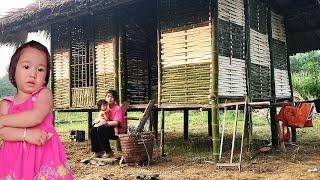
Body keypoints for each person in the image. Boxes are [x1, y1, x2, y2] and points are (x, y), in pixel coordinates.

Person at [0, 40, 74, 179]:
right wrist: (26, 135)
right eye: (26, 67)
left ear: (46, 76)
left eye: (40, 69)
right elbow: (3, 133)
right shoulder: (6, 103)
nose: (33, 74)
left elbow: (36, 116)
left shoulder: (43, 94)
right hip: (14, 163)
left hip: (43, 159)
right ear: (13, 70)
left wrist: (3, 120)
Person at [90, 90, 126, 158]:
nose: (109, 98)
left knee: (101, 129)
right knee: (93, 130)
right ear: (105, 98)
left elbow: (116, 123)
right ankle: (98, 151)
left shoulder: (117, 108)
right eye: (108, 96)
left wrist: (105, 123)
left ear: (115, 98)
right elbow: (96, 119)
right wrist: (99, 120)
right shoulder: (105, 108)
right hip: (108, 128)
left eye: (112, 97)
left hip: (118, 130)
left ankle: (108, 151)